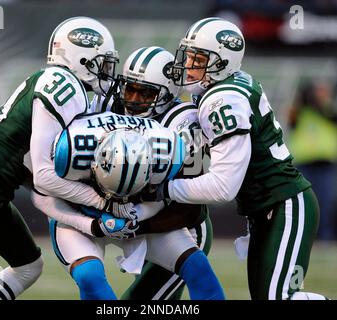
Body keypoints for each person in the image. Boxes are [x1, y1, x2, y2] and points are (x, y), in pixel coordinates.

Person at [143, 17, 328, 300]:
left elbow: (222, 187)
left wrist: (162, 189)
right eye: (189, 56)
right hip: (268, 206)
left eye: (198, 59)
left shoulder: (222, 100)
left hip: (285, 203)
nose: (188, 66)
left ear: (221, 62)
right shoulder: (228, 85)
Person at [0, 16, 131, 300]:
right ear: (82, 59)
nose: (106, 71)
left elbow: (37, 183)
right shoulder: (64, 87)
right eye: (102, 62)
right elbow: (44, 175)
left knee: (28, 266)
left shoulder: (61, 83)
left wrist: (86, 216)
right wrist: (101, 201)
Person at [32, 111, 225, 300]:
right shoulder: (71, 149)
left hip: (135, 214)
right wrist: (91, 225)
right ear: (94, 164)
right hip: (79, 212)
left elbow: (163, 200)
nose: (119, 197)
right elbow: (42, 197)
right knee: (89, 277)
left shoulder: (168, 153)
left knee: (198, 267)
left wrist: (137, 217)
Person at [98, 46, 215, 300]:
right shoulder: (112, 111)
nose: (134, 99)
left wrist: (134, 227)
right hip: (142, 224)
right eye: (130, 88)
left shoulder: (183, 123)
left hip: (183, 229)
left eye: (146, 93)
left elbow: (190, 209)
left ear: (167, 93)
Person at [287, 80, 337, 241]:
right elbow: (291, 121)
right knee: (304, 202)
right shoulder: (302, 111)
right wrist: (302, 99)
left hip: (326, 164)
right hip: (304, 163)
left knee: (326, 202)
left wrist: (320, 104)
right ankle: (305, 236)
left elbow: (330, 117)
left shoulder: (329, 110)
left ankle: (325, 237)